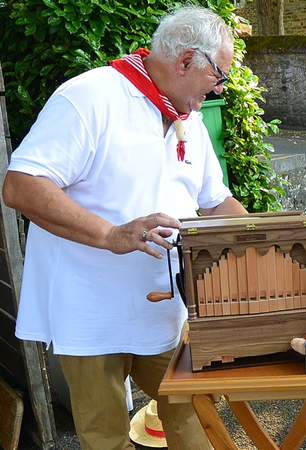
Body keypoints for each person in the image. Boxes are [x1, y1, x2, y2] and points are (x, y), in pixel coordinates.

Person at [2, 5, 247, 450]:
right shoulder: (88, 97)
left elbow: (215, 202)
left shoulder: (188, 119)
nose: (221, 88)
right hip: (90, 311)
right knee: (105, 437)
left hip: (162, 309)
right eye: (219, 75)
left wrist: (267, 238)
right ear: (186, 60)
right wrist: (111, 235)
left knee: (194, 416)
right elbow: (21, 186)